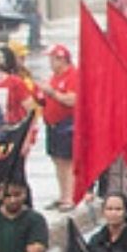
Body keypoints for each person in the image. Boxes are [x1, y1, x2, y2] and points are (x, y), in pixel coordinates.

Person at [36, 45, 77, 210]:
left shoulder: (73, 75)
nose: (50, 63)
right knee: (57, 160)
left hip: (67, 123)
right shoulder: (54, 77)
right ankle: (62, 194)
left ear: (61, 59)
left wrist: (52, 93)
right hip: (52, 124)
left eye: (52, 59)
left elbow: (72, 100)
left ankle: (70, 196)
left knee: (67, 161)